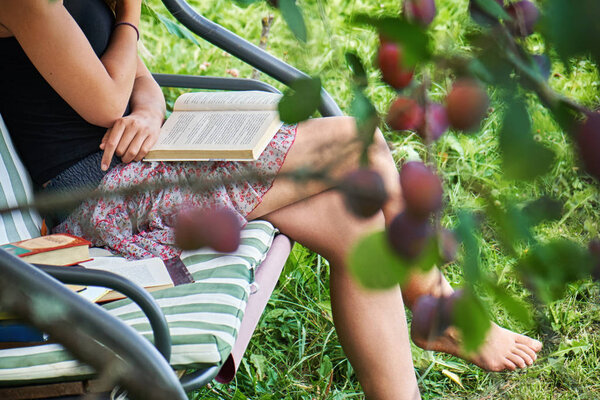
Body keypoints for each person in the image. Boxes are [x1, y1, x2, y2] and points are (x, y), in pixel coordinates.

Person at [0, 0, 542, 398]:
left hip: (141, 170)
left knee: (355, 223)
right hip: (98, 205)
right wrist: (131, 14)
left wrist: (144, 113)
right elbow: (104, 99)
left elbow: (136, 83)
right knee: (358, 144)